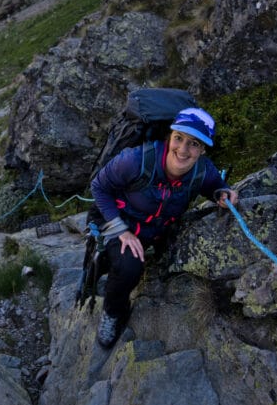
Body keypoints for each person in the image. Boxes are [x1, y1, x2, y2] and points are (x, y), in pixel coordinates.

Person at [90, 106, 238, 348]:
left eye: (193, 143)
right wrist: (121, 230)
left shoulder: (202, 171)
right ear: (170, 136)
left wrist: (224, 193)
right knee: (129, 267)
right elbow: (99, 186)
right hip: (119, 221)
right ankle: (113, 312)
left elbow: (216, 186)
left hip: (158, 229)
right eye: (178, 138)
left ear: (202, 150)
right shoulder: (136, 160)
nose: (182, 149)